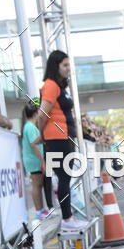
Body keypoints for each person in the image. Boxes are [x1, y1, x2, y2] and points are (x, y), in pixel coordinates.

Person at [38, 49, 79, 229]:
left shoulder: (59, 87)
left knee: (65, 178)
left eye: (69, 64)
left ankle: (68, 218)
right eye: (65, 65)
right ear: (56, 66)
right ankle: (67, 219)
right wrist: (44, 135)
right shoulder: (51, 85)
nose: (68, 68)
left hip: (63, 136)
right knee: (64, 178)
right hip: (57, 136)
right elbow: (42, 114)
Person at [21, 101, 51, 219]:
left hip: (34, 159)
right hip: (34, 160)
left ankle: (41, 209)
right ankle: (39, 211)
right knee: (36, 185)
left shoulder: (30, 126)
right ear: (34, 113)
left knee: (38, 185)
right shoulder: (30, 127)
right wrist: (42, 160)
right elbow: (34, 145)